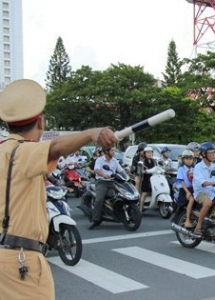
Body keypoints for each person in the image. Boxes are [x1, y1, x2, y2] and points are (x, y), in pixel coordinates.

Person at [0, 79, 116, 299]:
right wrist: (93, 133)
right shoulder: (22, 152)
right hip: (19, 261)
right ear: (41, 122)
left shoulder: (3, 151)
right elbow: (54, 148)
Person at [89, 147, 124, 229]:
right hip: (102, 182)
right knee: (99, 200)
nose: (113, 152)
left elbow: (121, 170)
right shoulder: (100, 160)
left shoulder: (114, 160)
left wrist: (128, 175)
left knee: (123, 195)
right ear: (106, 151)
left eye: (113, 150)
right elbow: (96, 170)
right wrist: (103, 175)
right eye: (112, 150)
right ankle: (95, 220)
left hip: (113, 182)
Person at [176, 150, 195, 228]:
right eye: (187, 159)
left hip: (193, 189)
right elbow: (182, 182)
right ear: (183, 160)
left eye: (190, 159)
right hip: (185, 190)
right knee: (191, 200)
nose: (189, 160)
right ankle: (187, 220)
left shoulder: (194, 169)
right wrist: (187, 192)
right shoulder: (181, 169)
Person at [139, 146, 157, 213]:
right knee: (144, 194)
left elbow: (157, 168)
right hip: (146, 179)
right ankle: (140, 209)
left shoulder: (154, 161)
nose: (149, 154)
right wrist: (144, 171)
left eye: (150, 153)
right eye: (147, 153)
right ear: (145, 153)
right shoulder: (142, 161)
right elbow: (140, 170)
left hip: (154, 179)